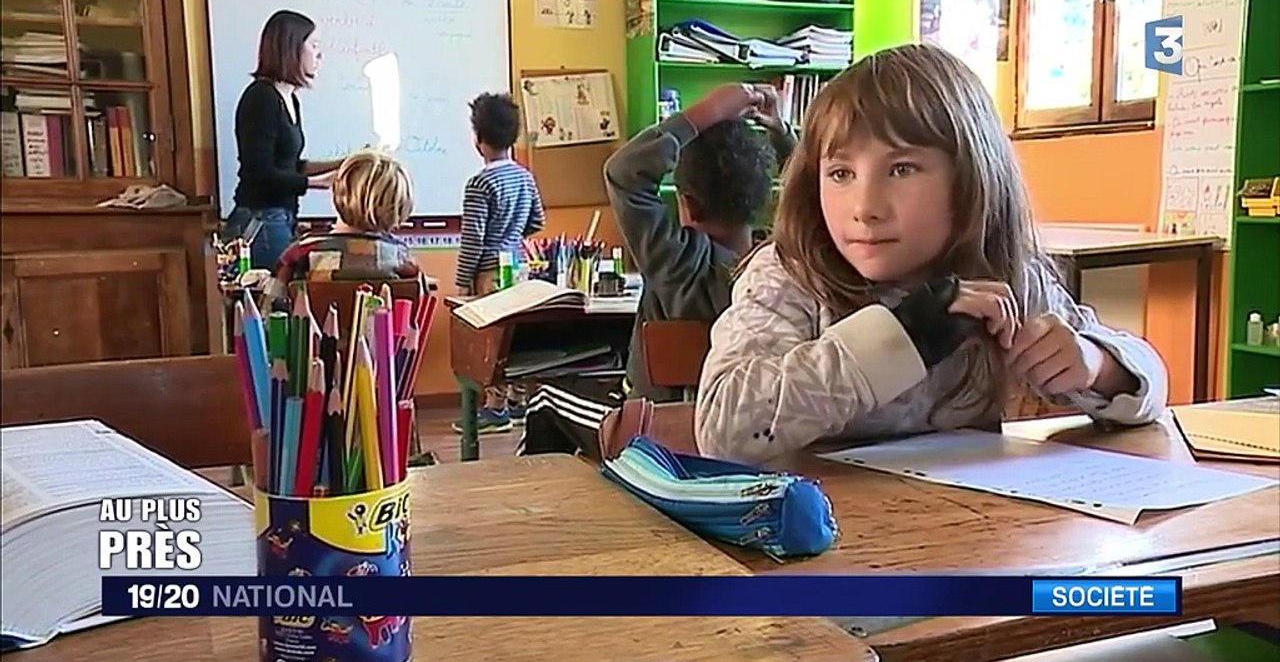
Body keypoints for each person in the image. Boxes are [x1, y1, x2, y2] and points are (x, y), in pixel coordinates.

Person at [694, 43, 1170, 465]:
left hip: (966, 534)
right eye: (840, 174)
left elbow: (1151, 386)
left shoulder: (1010, 279)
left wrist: (1098, 366)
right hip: (816, 542)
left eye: (901, 169)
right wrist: (900, 337)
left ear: (972, 179)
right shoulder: (790, 274)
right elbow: (722, 431)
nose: (865, 208)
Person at [517, 83, 795, 459]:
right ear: (765, 198)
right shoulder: (782, 265)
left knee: (545, 401)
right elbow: (814, 197)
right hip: (753, 432)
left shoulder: (679, 261)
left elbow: (624, 171)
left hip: (657, 432)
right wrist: (781, 131)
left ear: (688, 204)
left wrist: (706, 111)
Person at [224, 9, 347, 270]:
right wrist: (316, 183)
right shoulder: (261, 98)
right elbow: (260, 173)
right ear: (291, 48)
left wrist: (344, 163)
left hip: (281, 218)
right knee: (274, 301)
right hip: (261, 220)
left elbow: (289, 164)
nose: (319, 55)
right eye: (314, 46)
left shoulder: (289, 98)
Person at [453, 92, 545, 435]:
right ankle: (519, 401)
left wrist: (463, 281)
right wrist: (513, 235)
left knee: (490, 340)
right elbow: (537, 221)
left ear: (478, 139)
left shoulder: (480, 182)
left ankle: (494, 409)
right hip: (518, 268)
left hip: (488, 273)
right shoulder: (524, 176)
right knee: (515, 337)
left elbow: (473, 237)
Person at [262, 149, 419, 308]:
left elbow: (268, 311)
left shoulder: (298, 254)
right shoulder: (402, 258)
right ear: (400, 207)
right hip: (380, 333)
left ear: (337, 192)